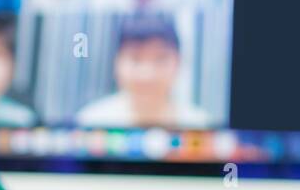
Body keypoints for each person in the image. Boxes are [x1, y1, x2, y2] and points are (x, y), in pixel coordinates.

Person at [76, 14, 210, 128]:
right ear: (116, 63)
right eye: (135, 59)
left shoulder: (200, 124)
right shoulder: (90, 121)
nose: (147, 75)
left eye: (160, 59)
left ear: (179, 63)